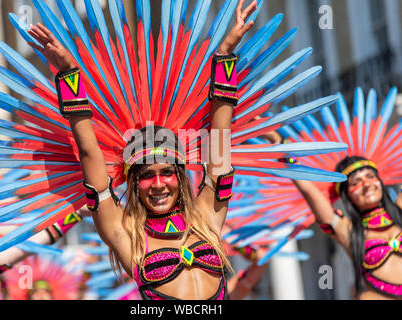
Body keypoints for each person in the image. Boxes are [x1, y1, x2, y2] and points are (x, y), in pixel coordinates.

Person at [26, 0, 258, 300]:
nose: (159, 184)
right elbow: (89, 155)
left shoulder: (206, 217)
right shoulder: (126, 234)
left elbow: (220, 146)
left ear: (180, 175)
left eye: (166, 173)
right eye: (147, 175)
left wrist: (225, 56)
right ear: (133, 180)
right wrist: (69, 73)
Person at [271, 88, 402, 299]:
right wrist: (278, 143)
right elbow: (306, 186)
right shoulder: (347, 231)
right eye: (356, 183)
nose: (367, 184)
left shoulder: (400, 211)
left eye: (370, 176)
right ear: (348, 195)